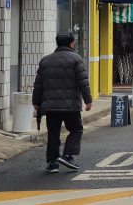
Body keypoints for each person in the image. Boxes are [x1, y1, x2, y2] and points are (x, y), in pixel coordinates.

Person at [33, 33, 93, 173]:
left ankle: (53, 163)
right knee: (76, 129)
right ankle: (67, 156)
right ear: (71, 44)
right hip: (70, 105)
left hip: (50, 105)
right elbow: (83, 82)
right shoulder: (75, 59)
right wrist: (88, 100)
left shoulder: (45, 61)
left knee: (53, 132)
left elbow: (38, 84)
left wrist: (36, 102)